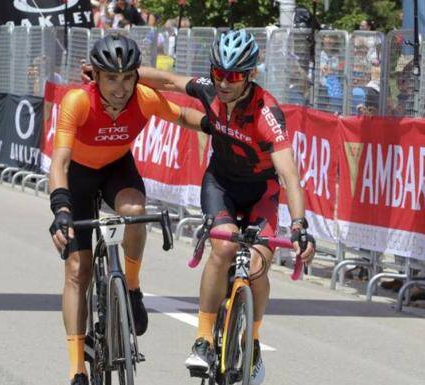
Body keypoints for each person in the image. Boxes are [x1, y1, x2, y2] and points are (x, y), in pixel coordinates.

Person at [131, 30, 316, 384]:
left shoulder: (267, 112)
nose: (224, 82)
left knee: (259, 263)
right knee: (225, 246)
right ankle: (202, 339)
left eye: (233, 76)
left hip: (261, 192)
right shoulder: (209, 89)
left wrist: (299, 226)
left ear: (250, 76)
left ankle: (255, 342)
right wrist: (123, 75)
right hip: (221, 186)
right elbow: (168, 79)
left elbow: (290, 175)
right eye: (219, 73)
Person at [49, 34, 203, 385]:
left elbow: (184, 117)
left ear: (137, 77)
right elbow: (60, 160)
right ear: (96, 77)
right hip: (78, 178)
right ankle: (77, 368)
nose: (120, 88)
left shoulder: (144, 98)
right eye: (111, 79)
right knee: (78, 268)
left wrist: (221, 128)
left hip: (118, 168)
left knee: (134, 210)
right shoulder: (78, 101)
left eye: (127, 78)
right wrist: (60, 209)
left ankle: (131, 289)